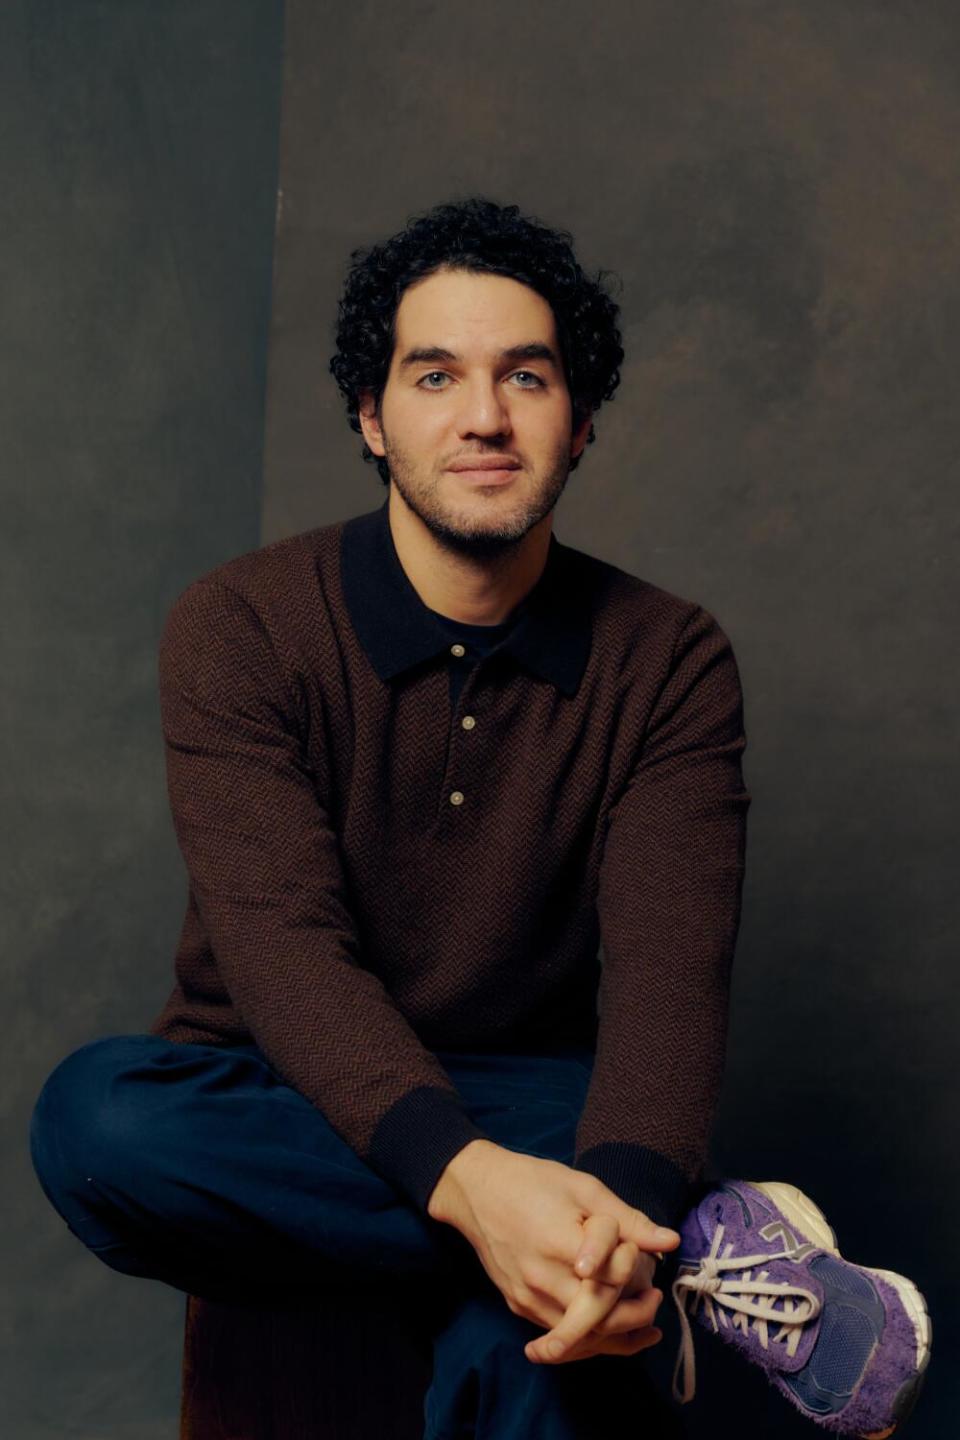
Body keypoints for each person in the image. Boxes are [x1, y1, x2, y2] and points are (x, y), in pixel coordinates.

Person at [29, 197, 929, 1438]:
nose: (485, 417)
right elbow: (284, 957)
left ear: (583, 418)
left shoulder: (668, 658)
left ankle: (616, 1234)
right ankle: (681, 1242)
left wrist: (598, 1191)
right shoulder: (241, 625)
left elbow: (672, 981)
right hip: (274, 1088)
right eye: (435, 374)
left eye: (528, 376)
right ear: (371, 416)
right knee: (99, 1122)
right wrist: (489, 1189)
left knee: (535, 1347)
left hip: (538, 1091)